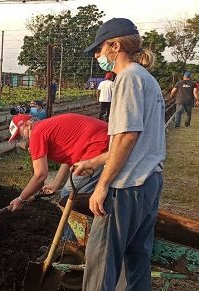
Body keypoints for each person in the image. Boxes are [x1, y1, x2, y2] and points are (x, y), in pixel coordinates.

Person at [77, 18, 165, 291]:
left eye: (99, 48)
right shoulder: (147, 79)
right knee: (136, 260)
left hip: (127, 185)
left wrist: (102, 186)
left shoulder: (127, 78)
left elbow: (127, 137)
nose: (97, 55)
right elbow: (136, 140)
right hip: (149, 180)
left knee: (101, 260)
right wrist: (95, 161)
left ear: (115, 45)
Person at [7, 113, 109, 241]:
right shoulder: (45, 128)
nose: (22, 141)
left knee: (69, 197)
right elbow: (68, 159)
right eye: (18, 139)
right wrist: (56, 184)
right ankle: (75, 241)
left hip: (99, 147)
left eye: (21, 135)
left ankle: (69, 244)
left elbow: (40, 175)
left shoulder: (37, 133)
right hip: (101, 141)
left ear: (28, 125)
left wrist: (21, 199)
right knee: (70, 195)